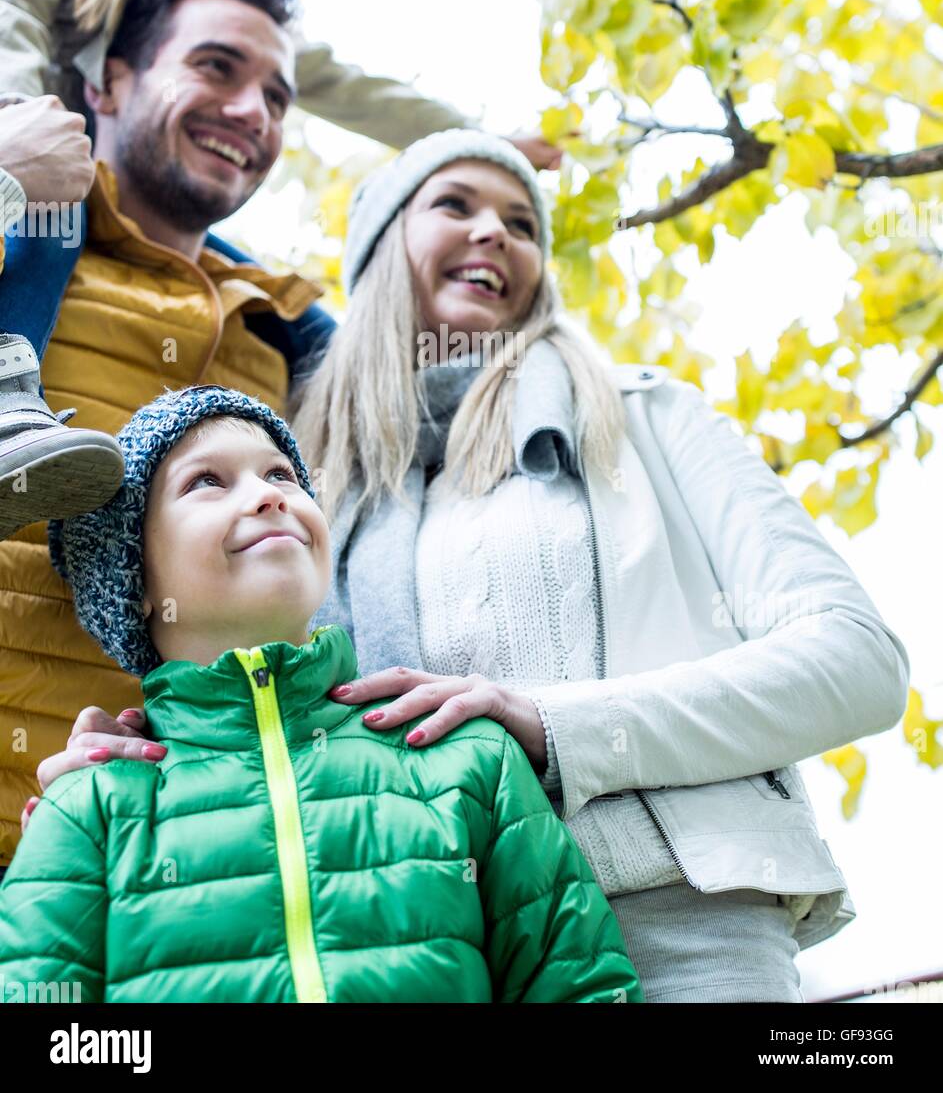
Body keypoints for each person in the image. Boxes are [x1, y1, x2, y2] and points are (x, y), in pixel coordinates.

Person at [26, 128, 913, 1001]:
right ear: (378, 252)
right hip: (423, 947)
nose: (496, 232)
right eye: (454, 204)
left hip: (682, 929)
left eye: (524, 223)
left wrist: (550, 724)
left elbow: (859, 662)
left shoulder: (645, 419)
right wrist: (156, 762)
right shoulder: (320, 489)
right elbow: (273, 703)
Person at [0, 0, 558, 537]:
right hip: (54, 148)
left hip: (128, 192)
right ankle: (12, 397)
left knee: (282, 306)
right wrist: (18, 119)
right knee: (48, 227)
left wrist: (470, 137)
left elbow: (338, 81)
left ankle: (396, 420)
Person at [0, 384, 642, 1004]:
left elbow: (581, 984)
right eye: (207, 482)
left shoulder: (468, 755)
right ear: (134, 577)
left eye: (280, 475)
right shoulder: (88, 808)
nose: (267, 497)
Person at [0, 0, 343, 866]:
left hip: (150, 888)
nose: (252, 113)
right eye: (217, 68)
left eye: (277, 95)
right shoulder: (21, 233)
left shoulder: (286, 337)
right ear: (110, 80)